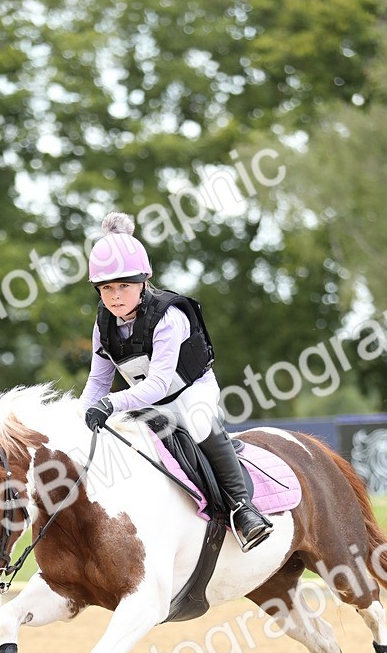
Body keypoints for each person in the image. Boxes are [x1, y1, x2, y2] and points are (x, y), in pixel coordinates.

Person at [79, 211, 273, 551]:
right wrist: (81, 417)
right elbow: (98, 381)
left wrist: (110, 403)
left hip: (189, 390)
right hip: (146, 403)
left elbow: (157, 384)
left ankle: (244, 509)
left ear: (143, 281)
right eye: (106, 288)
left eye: (124, 285)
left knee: (197, 423)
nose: (115, 296)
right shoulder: (102, 326)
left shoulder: (168, 317)